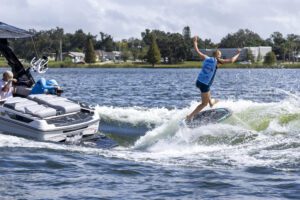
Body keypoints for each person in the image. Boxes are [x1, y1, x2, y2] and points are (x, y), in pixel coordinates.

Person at [186, 35, 241, 121]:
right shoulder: (217, 60)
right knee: (204, 103)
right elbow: (232, 60)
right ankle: (190, 116)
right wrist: (238, 53)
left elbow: (197, 51)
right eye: (220, 56)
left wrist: (195, 42)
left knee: (208, 94)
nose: (221, 57)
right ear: (217, 56)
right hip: (204, 84)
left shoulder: (206, 58)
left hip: (198, 82)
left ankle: (211, 103)